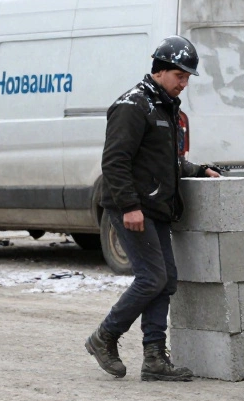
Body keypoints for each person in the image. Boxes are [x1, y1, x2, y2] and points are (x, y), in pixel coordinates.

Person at [85, 36, 221, 381]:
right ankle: (105, 337)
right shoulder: (133, 106)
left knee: (166, 279)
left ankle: (155, 359)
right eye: (180, 75)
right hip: (132, 207)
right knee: (152, 278)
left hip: (155, 206)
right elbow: (114, 162)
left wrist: (196, 169)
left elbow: (165, 161)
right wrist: (129, 207)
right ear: (160, 70)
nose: (184, 83)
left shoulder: (163, 106)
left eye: (188, 77)